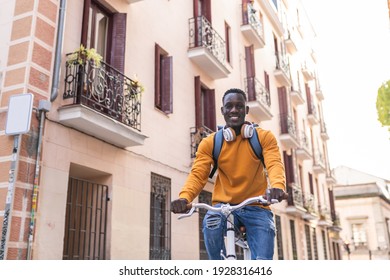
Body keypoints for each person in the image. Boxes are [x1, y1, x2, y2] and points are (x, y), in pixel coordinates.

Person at [171, 88, 287, 260]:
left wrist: (277, 187)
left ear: (246, 111)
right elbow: (198, 174)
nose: (234, 110)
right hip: (223, 208)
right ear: (222, 111)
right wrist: (185, 198)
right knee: (211, 223)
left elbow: (274, 164)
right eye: (229, 106)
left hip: (257, 207)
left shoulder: (264, 138)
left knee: (263, 257)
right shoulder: (210, 142)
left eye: (239, 106)